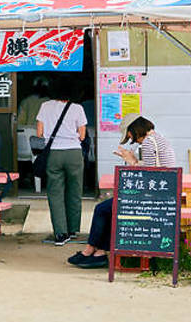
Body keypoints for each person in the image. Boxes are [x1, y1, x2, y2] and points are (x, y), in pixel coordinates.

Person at [68, 114, 176, 269]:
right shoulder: (159, 139)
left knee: (102, 208)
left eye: (130, 135)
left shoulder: (148, 143)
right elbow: (155, 170)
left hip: (153, 201)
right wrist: (134, 161)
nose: (132, 139)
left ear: (135, 129)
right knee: (110, 207)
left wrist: (132, 162)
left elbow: (150, 175)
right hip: (162, 198)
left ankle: (91, 250)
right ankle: (98, 252)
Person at [36, 81, 87, 246]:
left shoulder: (45, 106)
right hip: (74, 153)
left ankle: (60, 233)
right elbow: (83, 136)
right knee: (74, 191)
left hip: (54, 153)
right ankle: (73, 230)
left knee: (55, 193)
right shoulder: (77, 108)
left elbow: (39, 132)